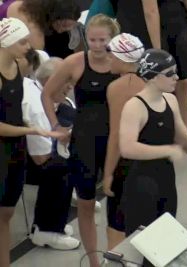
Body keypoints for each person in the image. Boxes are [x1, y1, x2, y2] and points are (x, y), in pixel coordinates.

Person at [41, 14, 120, 267]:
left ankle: (117, 255)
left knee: (117, 204)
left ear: (113, 39)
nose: (97, 45)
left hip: (114, 141)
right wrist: (56, 126)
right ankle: (94, 261)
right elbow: (47, 94)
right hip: (83, 141)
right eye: (92, 40)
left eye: (102, 40)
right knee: (86, 203)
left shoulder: (121, 63)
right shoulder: (75, 62)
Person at [119, 49, 187, 238]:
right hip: (141, 184)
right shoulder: (134, 106)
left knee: (165, 237)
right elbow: (127, 148)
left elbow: (180, 135)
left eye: (176, 71)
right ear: (152, 76)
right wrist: (168, 150)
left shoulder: (170, 100)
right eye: (170, 73)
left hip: (166, 180)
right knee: (142, 243)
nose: (176, 77)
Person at [0, 17, 62, 267]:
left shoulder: (18, 64)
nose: (29, 46)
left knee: (6, 213)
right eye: (23, 41)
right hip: (3, 148)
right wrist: (32, 130)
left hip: (15, 149)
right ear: (6, 43)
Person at [116, 0, 187, 129]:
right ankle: (159, 132)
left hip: (175, 22)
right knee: (155, 85)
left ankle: (184, 131)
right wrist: (158, 53)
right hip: (143, 24)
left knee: (184, 81)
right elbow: (150, 11)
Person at [22, 53, 80, 250]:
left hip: (45, 147)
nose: (71, 86)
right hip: (26, 159)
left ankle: (57, 222)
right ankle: (45, 230)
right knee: (60, 169)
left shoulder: (61, 99)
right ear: (49, 81)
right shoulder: (35, 105)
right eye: (67, 82)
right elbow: (41, 158)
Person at [102, 33, 145, 250]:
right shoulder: (157, 82)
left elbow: (117, 135)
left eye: (111, 55)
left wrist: (108, 173)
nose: (108, 59)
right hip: (156, 166)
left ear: (122, 58)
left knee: (116, 233)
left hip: (128, 167)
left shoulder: (119, 87)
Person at [0, 0, 81, 50]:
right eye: (64, 25)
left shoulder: (32, 5)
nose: (60, 31)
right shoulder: (34, 31)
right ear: (55, 15)